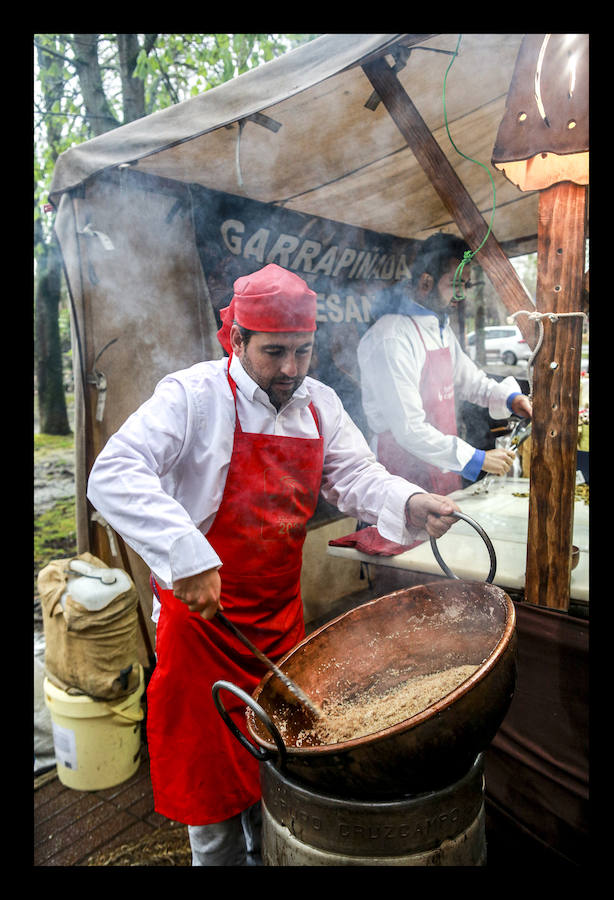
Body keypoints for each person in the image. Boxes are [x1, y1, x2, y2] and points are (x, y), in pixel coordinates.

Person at [86, 263, 461, 867]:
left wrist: (410, 501)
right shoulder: (194, 396)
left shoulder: (318, 404)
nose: (290, 369)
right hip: (202, 629)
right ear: (237, 340)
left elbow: (356, 474)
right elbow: (114, 472)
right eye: (275, 352)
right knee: (212, 799)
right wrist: (185, 555)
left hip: (280, 625)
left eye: (302, 351)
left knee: (279, 780)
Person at [357, 233, 532, 494]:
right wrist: (477, 459)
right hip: (401, 473)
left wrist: (511, 399)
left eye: (465, 285)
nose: (461, 295)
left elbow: (471, 381)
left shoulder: (439, 328)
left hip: (444, 465)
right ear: (426, 282)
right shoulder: (391, 337)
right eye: (454, 284)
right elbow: (409, 428)